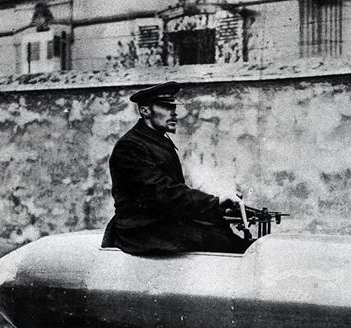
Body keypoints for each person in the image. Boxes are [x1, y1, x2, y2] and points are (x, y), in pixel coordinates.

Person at [102, 81, 251, 254]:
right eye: (166, 107)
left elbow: (172, 193)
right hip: (141, 232)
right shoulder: (130, 146)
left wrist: (217, 204)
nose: (174, 113)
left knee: (223, 232)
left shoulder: (155, 141)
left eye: (173, 107)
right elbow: (163, 193)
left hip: (158, 225)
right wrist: (214, 202)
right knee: (223, 242)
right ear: (145, 111)